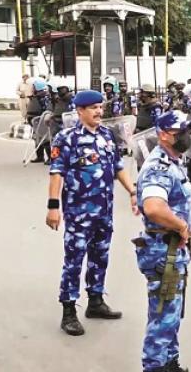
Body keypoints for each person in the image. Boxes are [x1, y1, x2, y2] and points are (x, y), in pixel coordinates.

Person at [45, 90, 137, 336]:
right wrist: (53, 207)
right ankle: (68, 312)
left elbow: (118, 167)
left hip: (104, 211)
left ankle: (95, 301)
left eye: (100, 107)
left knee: (100, 256)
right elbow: (57, 173)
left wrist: (132, 191)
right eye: (93, 108)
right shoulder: (66, 138)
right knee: (74, 261)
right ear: (80, 111)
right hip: (78, 213)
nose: (99, 112)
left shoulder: (107, 136)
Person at [134, 111, 191, 372]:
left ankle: (170, 363)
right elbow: (154, 207)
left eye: (188, 131)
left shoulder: (173, 161)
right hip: (163, 252)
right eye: (180, 132)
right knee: (163, 316)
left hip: (172, 248)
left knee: (171, 314)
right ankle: (155, 367)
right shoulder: (158, 167)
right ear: (163, 135)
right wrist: (181, 226)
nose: (187, 137)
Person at [27, 79, 53, 164]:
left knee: (45, 139)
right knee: (37, 138)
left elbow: (47, 109)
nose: (32, 88)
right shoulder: (35, 96)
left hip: (41, 120)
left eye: (33, 87)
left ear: (37, 88)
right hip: (35, 120)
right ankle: (40, 156)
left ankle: (50, 157)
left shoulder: (44, 97)